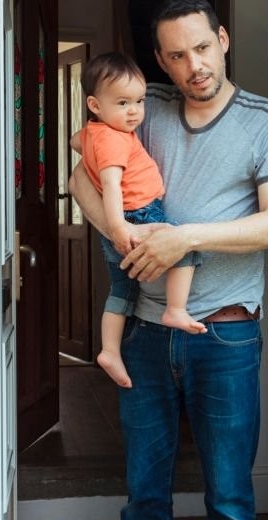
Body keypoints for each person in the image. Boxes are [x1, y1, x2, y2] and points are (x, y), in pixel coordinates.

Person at [68, 0, 268, 520]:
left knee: (229, 496)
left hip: (224, 333)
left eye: (202, 48)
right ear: (160, 60)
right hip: (145, 333)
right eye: (177, 56)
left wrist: (180, 239)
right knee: (145, 490)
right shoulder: (143, 111)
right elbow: (79, 177)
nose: (193, 65)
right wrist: (125, 239)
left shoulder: (266, 120)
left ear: (222, 40)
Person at [76, 51, 205, 389]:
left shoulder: (94, 132)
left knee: (123, 289)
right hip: (138, 215)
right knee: (185, 248)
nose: (134, 111)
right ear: (94, 104)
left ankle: (109, 350)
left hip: (127, 217)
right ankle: (175, 309)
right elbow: (110, 186)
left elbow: (77, 141)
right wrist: (120, 227)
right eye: (122, 103)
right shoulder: (114, 140)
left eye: (139, 101)